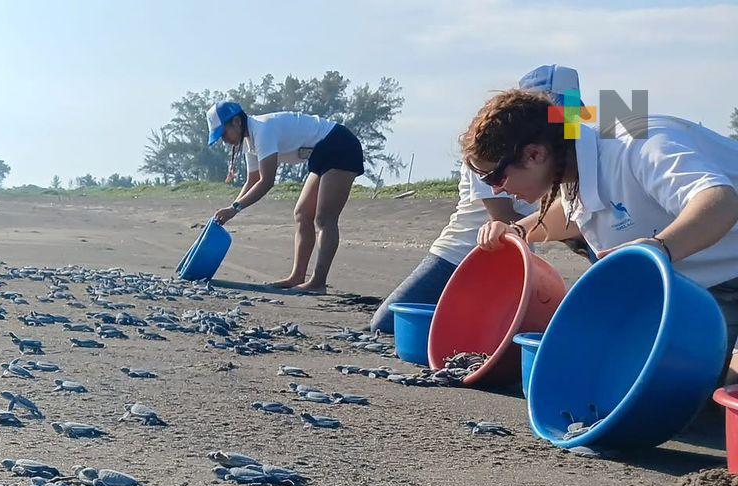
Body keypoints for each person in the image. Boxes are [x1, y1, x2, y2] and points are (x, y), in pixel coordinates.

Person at [466, 90, 738, 383]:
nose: (495, 190)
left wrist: (661, 247)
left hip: (722, 269)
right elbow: (575, 213)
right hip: (706, 288)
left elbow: (721, 201)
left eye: (494, 177)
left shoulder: (637, 144)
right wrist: (517, 230)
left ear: (535, 154)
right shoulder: (574, 162)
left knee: (724, 396)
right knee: (658, 383)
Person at [370, 65, 581, 333]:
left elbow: (633, 125)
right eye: (555, 118)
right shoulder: (488, 149)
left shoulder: (572, 150)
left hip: (518, 255)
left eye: (568, 120)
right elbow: (503, 218)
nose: (564, 132)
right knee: (387, 325)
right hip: (462, 253)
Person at [206, 102, 366, 293]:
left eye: (223, 134)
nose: (224, 141)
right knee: (302, 213)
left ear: (237, 122)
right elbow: (252, 181)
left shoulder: (263, 130)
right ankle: (297, 276)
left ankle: (318, 282)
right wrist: (232, 207)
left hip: (340, 145)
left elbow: (266, 182)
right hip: (321, 153)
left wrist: (234, 209)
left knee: (324, 218)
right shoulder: (249, 143)